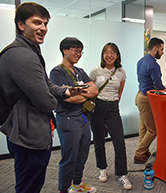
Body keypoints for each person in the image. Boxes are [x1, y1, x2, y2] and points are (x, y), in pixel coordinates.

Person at [0, 3, 81, 193]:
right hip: (28, 135)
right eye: (36, 22)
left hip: (24, 129)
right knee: (29, 186)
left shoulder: (30, 49)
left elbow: (45, 84)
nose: (43, 28)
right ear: (21, 24)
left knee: (29, 182)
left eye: (44, 23)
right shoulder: (22, 55)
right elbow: (45, 101)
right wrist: (56, 100)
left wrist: (64, 92)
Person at [50, 37, 98, 193]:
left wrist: (78, 92)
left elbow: (95, 90)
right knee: (69, 158)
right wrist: (85, 93)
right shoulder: (57, 72)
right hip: (67, 118)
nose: (78, 54)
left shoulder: (80, 71)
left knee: (82, 155)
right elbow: (69, 97)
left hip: (83, 118)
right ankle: (63, 190)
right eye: (75, 51)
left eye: (80, 52)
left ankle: (77, 185)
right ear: (65, 50)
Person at [89, 42, 132, 190]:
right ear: (102, 55)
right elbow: (90, 90)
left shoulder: (121, 72)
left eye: (113, 52)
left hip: (113, 108)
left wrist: (113, 104)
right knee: (99, 141)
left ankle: (122, 174)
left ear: (117, 55)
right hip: (98, 108)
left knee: (119, 142)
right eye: (106, 52)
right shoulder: (96, 71)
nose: (109, 55)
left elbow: (119, 93)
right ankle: (102, 168)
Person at [134, 37, 166, 164]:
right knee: (153, 131)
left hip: (139, 96)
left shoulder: (141, 61)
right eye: (162, 49)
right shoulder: (153, 64)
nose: (163, 52)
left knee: (144, 128)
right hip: (147, 99)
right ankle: (139, 153)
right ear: (155, 48)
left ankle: (144, 151)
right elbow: (158, 86)